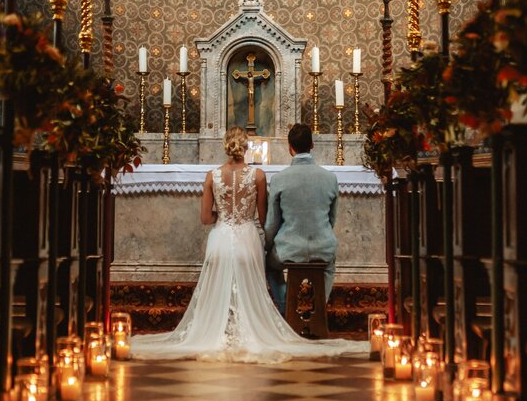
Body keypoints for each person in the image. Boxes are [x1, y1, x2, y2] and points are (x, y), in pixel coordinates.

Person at [130, 126, 363, 363]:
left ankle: (229, 325)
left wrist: (222, 219)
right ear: (246, 147)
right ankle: (299, 315)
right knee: (265, 276)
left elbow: (205, 219)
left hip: (220, 239)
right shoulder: (259, 176)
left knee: (234, 280)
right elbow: (264, 220)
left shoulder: (212, 176)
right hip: (248, 239)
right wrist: (262, 238)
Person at [264, 123, 338, 314]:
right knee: (329, 266)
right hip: (323, 245)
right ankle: (318, 308)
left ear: (290, 148)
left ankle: (286, 307)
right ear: (312, 145)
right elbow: (331, 219)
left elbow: (272, 223)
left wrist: (268, 245)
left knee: (270, 266)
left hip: (289, 248)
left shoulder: (280, 179)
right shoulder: (330, 178)